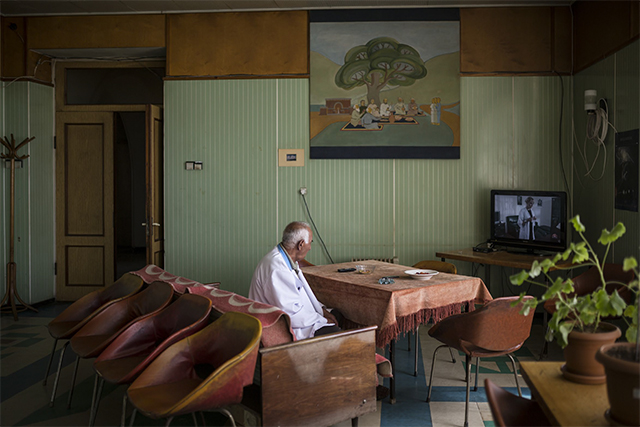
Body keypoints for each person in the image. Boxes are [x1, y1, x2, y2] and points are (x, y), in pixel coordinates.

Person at [249, 221, 341, 340]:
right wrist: (322, 319)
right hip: (283, 327)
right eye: (310, 242)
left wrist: (322, 311)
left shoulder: (286, 259)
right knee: (334, 331)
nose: (310, 247)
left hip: (296, 318)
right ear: (301, 244)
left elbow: (303, 295)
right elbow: (292, 314)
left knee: (337, 315)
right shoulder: (277, 268)